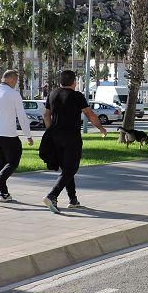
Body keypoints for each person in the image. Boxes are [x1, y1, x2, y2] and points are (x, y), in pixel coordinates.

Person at [42, 69, 107, 213]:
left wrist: (50, 131)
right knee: (72, 168)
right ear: (74, 82)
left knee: (66, 169)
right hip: (71, 137)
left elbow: (46, 116)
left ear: (61, 81)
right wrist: (101, 128)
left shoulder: (52, 94)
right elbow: (90, 114)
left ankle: (73, 200)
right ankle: (52, 195)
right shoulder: (77, 96)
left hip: (55, 137)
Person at [0, 70, 34, 204]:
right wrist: (28, 135)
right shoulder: (13, 94)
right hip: (9, 134)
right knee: (13, 161)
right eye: (16, 81)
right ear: (11, 79)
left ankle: (3, 194)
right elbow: (22, 116)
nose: (16, 84)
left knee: (1, 165)